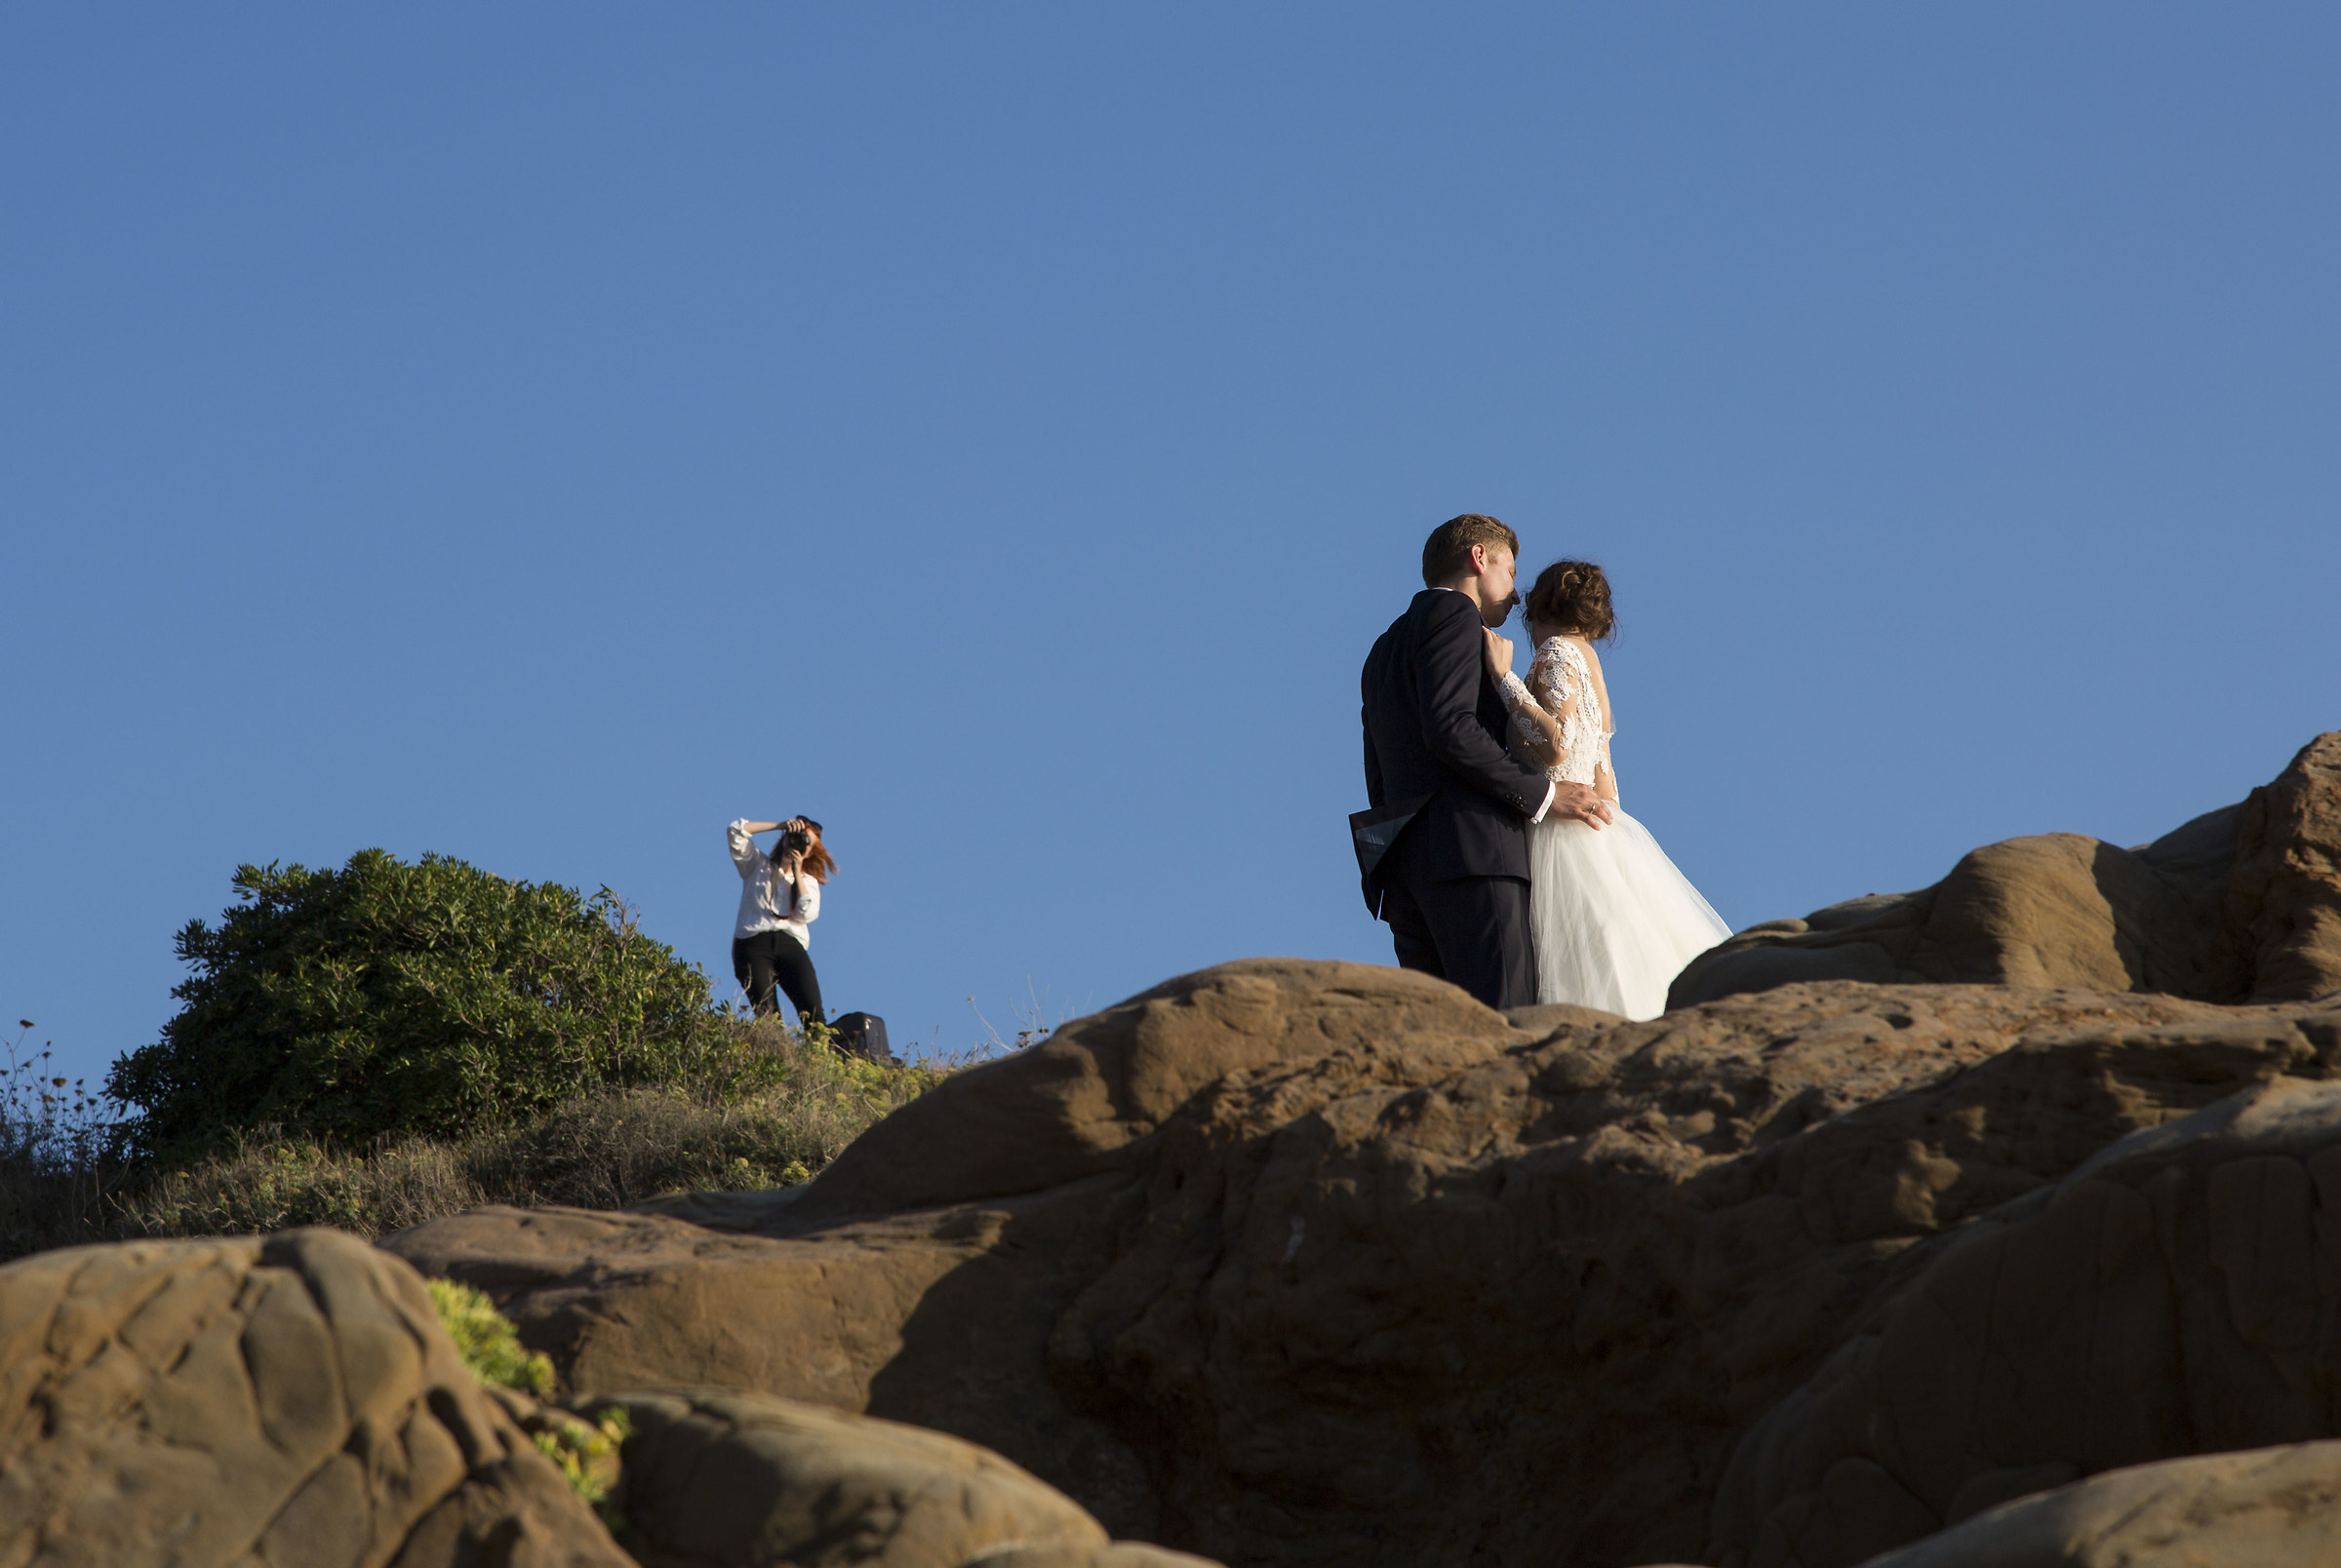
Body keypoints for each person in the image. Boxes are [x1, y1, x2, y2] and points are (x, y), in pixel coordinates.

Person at [1359, 514, 1612, 1009]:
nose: (1517, 595)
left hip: (1404, 868)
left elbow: (1378, 766)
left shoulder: (1382, 649)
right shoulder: (1456, 618)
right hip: (1473, 853)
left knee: (1443, 1033)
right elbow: (1451, 728)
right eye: (1511, 572)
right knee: (1505, 1020)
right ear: (1479, 558)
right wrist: (1543, 794)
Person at [1484, 560, 1729, 1019]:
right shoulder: (1590, 660)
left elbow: (1556, 745)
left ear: (1538, 607)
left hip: (1557, 827)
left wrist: (1504, 678)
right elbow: (1602, 769)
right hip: (1597, 827)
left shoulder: (1555, 652)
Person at [727, 814, 833, 1026]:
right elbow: (735, 831)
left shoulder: (807, 882)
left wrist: (797, 870)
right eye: (794, 836)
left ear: (811, 852)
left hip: (790, 945)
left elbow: (806, 913)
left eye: (806, 842)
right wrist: (779, 825)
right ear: (785, 837)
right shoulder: (757, 865)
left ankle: (820, 1055)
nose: (797, 843)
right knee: (769, 1018)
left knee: (814, 1016)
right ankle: (777, 1054)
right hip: (752, 942)